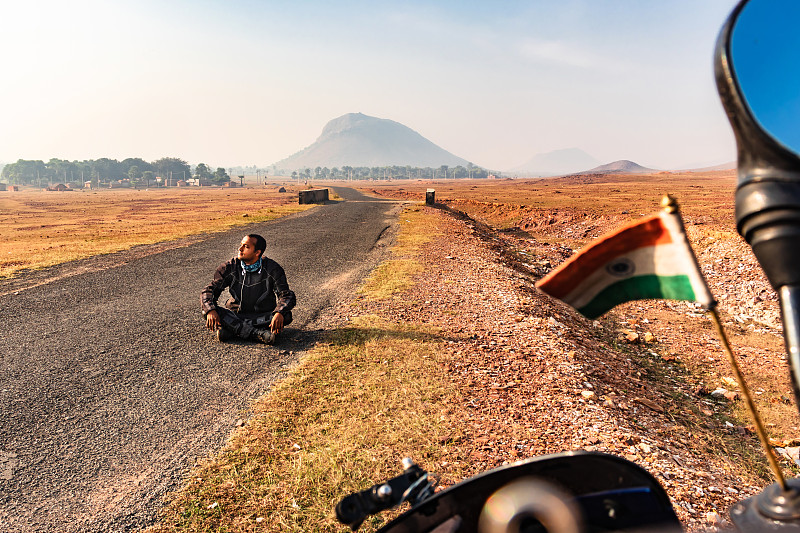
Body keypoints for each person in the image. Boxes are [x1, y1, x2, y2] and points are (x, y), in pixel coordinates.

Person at [201, 234, 296, 344]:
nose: (240, 249)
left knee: (286, 315)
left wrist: (279, 312)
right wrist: (211, 310)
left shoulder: (272, 268)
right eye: (241, 245)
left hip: (263, 315)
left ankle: (233, 330)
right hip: (236, 314)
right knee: (206, 311)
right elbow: (209, 291)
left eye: (246, 247)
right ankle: (258, 334)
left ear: (257, 252)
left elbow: (286, 295)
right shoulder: (229, 267)